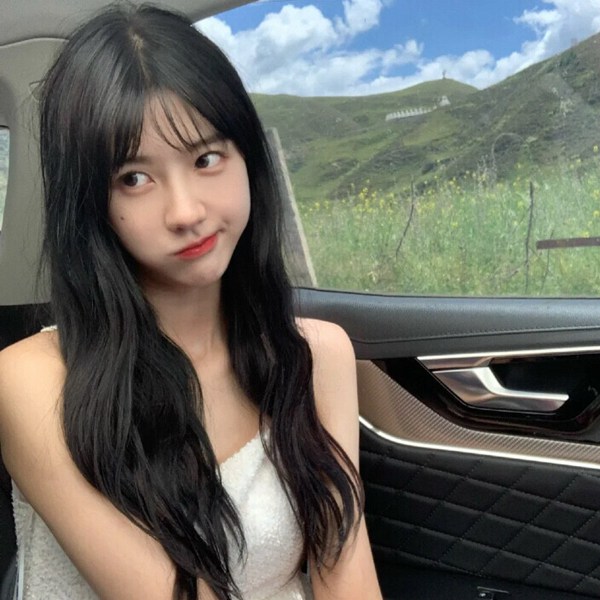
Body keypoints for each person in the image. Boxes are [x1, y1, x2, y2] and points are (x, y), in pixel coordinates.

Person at [0, 4, 382, 600]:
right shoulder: (30, 382)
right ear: (92, 203)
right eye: (134, 178)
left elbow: (346, 574)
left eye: (206, 158)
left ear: (248, 157)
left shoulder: (318, 355)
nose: (185, 211)